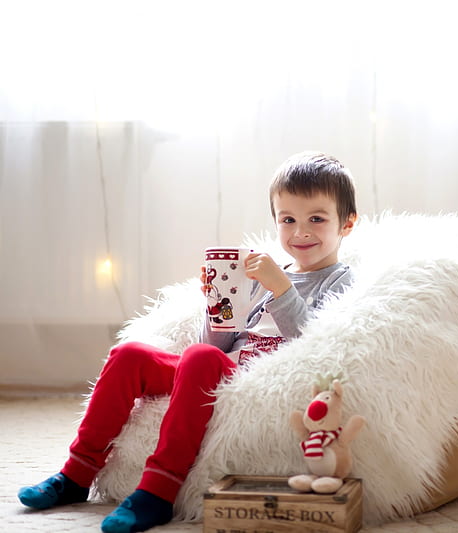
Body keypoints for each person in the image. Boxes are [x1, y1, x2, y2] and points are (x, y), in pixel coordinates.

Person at [18, 151, 358, 533]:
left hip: (265, 378)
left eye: (317, 219)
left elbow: (316, 344)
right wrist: (217, 305)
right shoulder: (264, 276)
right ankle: (76, 474)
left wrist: (281, 289)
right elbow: (214, 347)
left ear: (347, 224)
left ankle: (158, 491)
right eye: (288, 220)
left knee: (199, 360)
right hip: (221, 365)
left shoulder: (341, 281)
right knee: (129, 354)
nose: (301, 232)